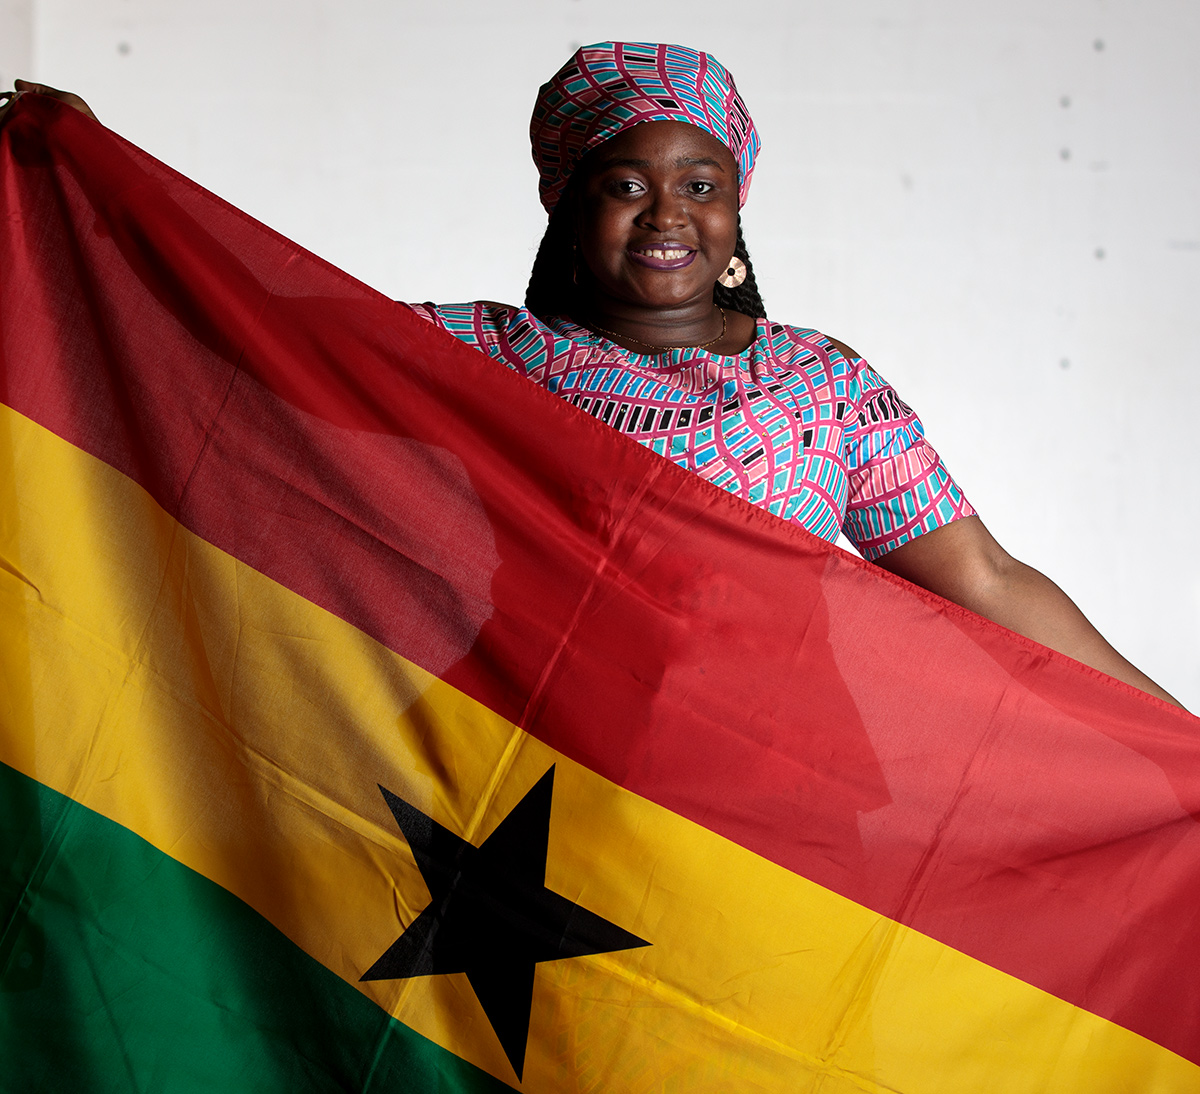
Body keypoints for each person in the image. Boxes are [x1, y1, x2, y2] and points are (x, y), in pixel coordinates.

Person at [1, 42, 1181, 708]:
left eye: (701, 183)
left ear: (739, 204)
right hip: (530, 771)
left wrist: (1169, 739)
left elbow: (979, 574)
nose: (669, 215)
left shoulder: (829, 391)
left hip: (787, 806)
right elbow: (250, 327)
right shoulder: (479, 358)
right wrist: (98, 191)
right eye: (626, 182)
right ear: (566, 200)